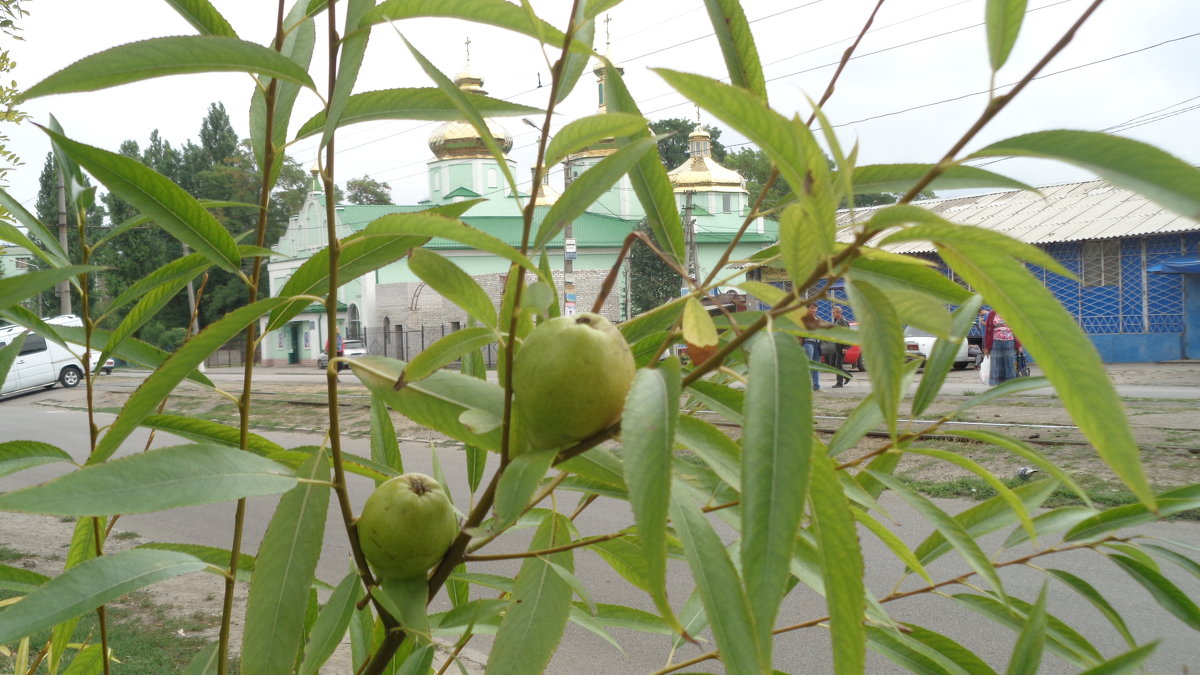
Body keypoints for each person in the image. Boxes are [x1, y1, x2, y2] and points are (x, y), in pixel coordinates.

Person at [983, 309, 1020, 385]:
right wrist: (987, 347)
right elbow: (988, 330)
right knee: (996, 364)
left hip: (1010, 342)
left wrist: (1018, 345)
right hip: (995, 342)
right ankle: (995, 385)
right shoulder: (992, 314)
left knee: (1010, 364)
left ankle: (1010, 384)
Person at [826, 306, 850, 387]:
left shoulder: (843, 321)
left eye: (834, 313)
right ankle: (848, 375)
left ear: (838, 313)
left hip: (841, 347)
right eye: (832, 312)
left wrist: (845, 347)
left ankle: (839, 383)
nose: (832, 314)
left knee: (838, 365)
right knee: (833, 364)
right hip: (835, 346)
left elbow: (847, 335)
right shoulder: (836, 321)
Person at [801, 305, 822, 392]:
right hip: (808, 342)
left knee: (816, 366)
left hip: (817, 343)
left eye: (815, 308)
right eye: (812, 308)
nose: (814, 310)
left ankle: (816, 387)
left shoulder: (818, 318)